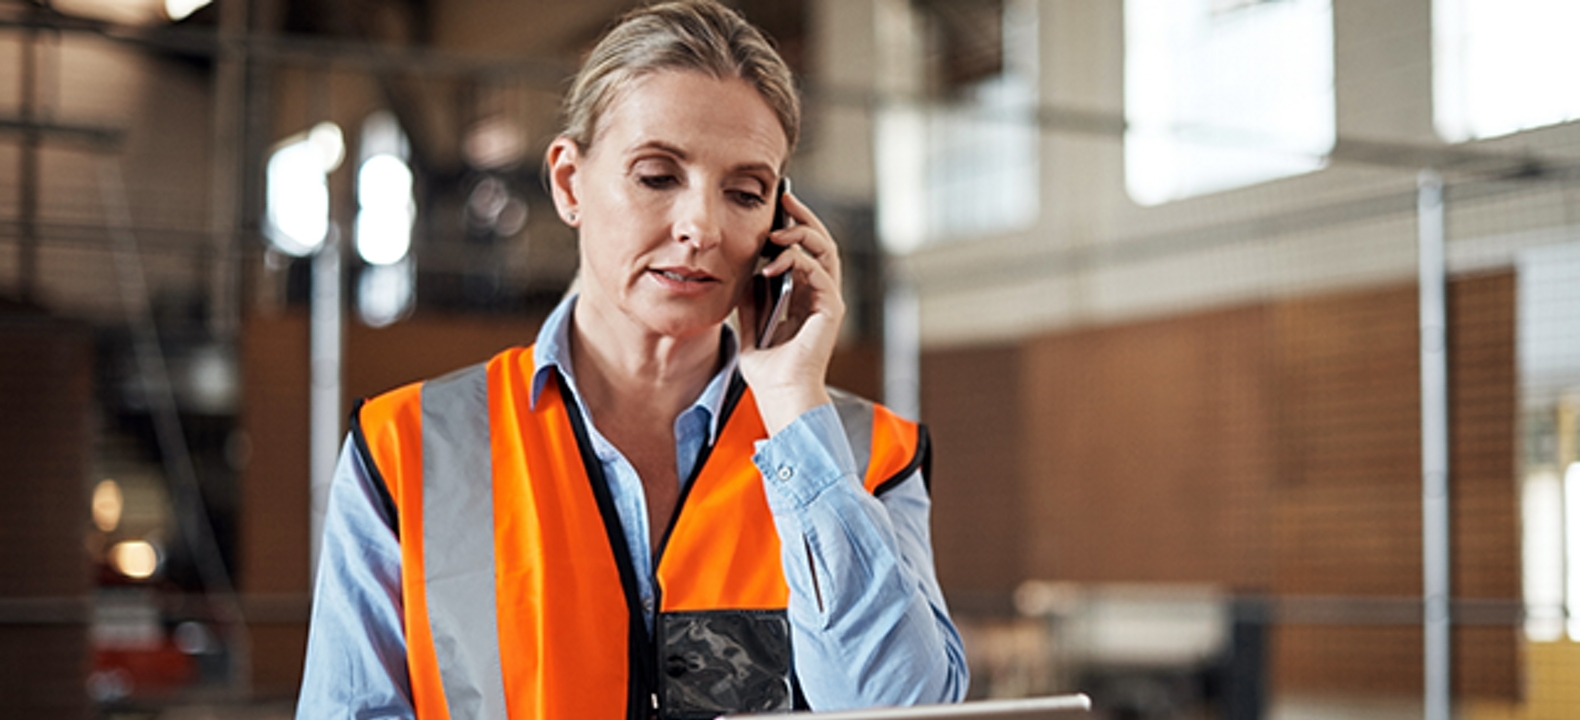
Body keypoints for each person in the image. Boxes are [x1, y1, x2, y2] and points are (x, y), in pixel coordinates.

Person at [295, 1, 967, 717]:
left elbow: (904, 706)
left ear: (782, 223)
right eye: (656, 176)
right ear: (569, 182)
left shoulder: (868, 457)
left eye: (745, 193)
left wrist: (797, 409)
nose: (701, 227)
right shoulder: (406, 450)